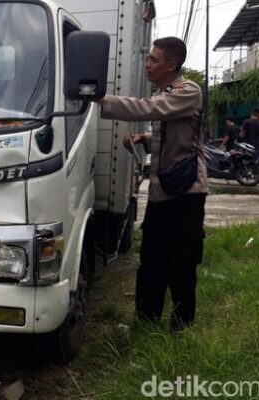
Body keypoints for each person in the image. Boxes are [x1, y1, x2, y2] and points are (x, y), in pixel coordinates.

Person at [97, 37, 207, 333]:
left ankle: (180, 330)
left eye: (154, 60)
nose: (147, 64)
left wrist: (101, 99)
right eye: (149, 59)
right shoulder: (166, 94)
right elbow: (167, 131)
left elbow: (148, 108)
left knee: (182, 261)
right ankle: (146, 321)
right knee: (152, 259)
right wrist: (143, 139)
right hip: (162, 193)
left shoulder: (187, 91)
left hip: (186, 194)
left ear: (172, 65)